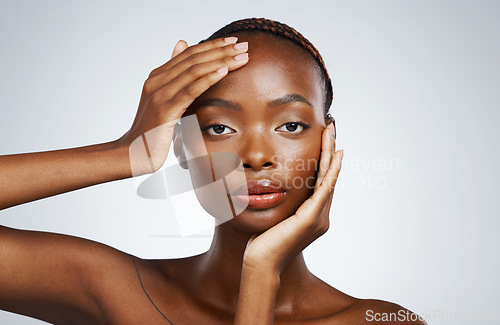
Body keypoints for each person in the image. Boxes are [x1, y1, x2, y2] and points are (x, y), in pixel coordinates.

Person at [0, 18, 426, 324]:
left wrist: (262, 272)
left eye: (290, 125)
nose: (256, 155)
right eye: (219, 127)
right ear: (183, 147)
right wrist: (127, 153)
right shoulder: (118, 291)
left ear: (327, 142)